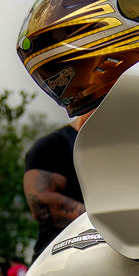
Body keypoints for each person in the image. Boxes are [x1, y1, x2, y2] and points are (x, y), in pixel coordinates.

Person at [18, 0, 139, 261]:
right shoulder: (54, 146)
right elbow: (43, 204)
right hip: (63, 266)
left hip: (136, 263)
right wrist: (118, 224)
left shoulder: (134, 146)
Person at [22, 110, 92, 262]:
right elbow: (41, 204)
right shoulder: (54, 145)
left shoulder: (119, 151)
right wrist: (106, 220)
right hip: (56, 265)